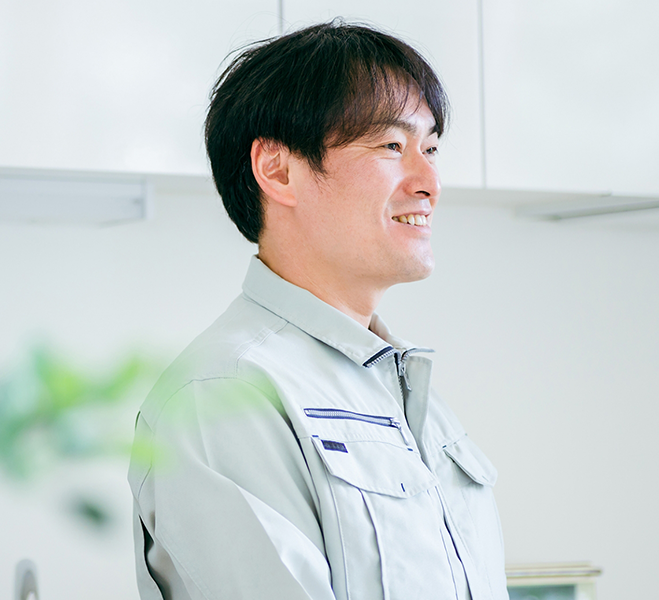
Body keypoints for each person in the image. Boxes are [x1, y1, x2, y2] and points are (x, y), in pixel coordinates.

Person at [128, 21, 508, 600]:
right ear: (278, 170)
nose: (429, 182)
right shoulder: (225, 395)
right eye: (392, 146)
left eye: (430, 149)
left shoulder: (405, 392)